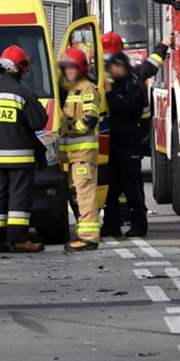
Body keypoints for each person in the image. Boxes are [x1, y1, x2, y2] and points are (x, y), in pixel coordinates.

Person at [0, 45, 47, 253]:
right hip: (20, 156)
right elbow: (39, 122)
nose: (27, 70)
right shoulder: (22, 92)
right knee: (19, 197)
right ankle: (19, 239)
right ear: (18, 67)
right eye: (25, 65)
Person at [57, 46, 101, 252]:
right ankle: (82, 234)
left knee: (84, 195)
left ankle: (89, 237)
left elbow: (90, 119)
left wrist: (71, 131)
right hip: (71, 156)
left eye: (71, 67)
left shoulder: (87, 88)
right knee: (77, 196)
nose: (68, 71)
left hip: (82, 154)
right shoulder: (68, 88)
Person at [101, 52, 148, 238]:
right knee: (111, 188)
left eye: (114, 67)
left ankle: (139, 224)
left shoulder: (132, 83)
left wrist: (111, 94)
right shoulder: (116, 82)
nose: (111, 70)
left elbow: (129, 107)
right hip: (114, 143)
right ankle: (111, 224)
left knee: (132, 187)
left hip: (129, 143)